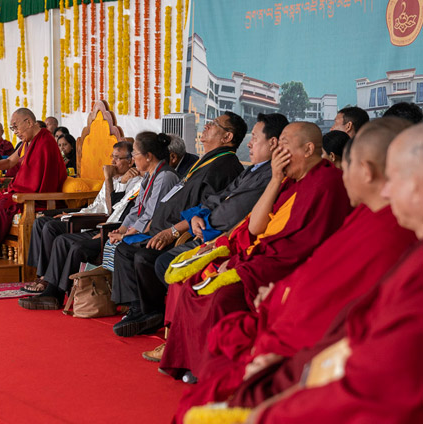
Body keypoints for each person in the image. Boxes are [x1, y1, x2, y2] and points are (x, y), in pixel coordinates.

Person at [172, 118, 417, 422]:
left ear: (366, 172)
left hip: (309, 336)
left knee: (228, 335)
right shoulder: (292, 183)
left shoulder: (336, 190)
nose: (278, 149)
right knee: (203, 289)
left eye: (284, 143)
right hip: (283, 294)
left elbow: (309, 256)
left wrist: (279, 312)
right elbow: (271, 235)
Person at [159, 122, 353, 382]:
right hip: (262, 253)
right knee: (192, 280)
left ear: (308, 149)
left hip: (287, 264)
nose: (279, 152)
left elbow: (305, 246)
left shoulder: (328, 183)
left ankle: (209, 369)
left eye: (285, 144)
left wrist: (244, 264)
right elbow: (256, 226)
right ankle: (186, 359)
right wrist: (274, 179)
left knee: (220, 295)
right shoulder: (287, 180)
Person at [140, 113, 287, 360]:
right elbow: (217, 199)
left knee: (167, 263)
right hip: (204, 230)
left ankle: (180, 335)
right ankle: (172, 328)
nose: (249, 144)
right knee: (154, 258)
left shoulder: (267, 176)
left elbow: (237, 213)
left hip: (222, 237)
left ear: (273, 144)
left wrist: (197, 228)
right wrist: (195, 218)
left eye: (255, 139)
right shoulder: (253, 171)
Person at [109, 112, 247, 337]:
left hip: (179, 233)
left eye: (213, 124)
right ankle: (138, 308)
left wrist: (172, 231)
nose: (206, 126)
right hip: (161, 226)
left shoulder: (226, 166)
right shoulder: (206, 160)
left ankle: (154, 311)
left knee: (144, 256)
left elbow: (206, 209)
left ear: (227, 136)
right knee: (124, 250)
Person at [18, 134, 175, 310]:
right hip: (119, 226)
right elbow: (134, 211)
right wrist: (121, 230)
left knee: (76, 246)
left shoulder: (164, 177)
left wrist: (122, 232)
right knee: (60, 238)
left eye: (135, 154)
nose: (133, 159)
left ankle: (60, 293)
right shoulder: (149, 177)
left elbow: (149, 215)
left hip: (143, 232)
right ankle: (52, 291)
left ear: (148, 156)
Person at [19, 139, 142, 294]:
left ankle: (48, 282)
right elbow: (94, 205)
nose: (112, 161)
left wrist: (109, 179)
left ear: (131, 161)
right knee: (41, 221)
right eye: (112, 156)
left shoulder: (133, 180)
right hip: (88, 214)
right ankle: (42, 274)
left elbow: (111, 211)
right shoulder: (115, 176)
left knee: (51, 227)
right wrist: (73, 213)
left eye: (118, 158)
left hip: (98, 221)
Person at [0, 108, 67, 260]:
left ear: (29, 122)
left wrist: (20, 191)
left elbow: (39, 179)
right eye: (12, 128)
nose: (15, 132)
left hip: (37, 196)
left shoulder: (46, 141)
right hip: (23, 190)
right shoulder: (27, 142)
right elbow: (10, 161)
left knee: (0, 207)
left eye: (15, 127)